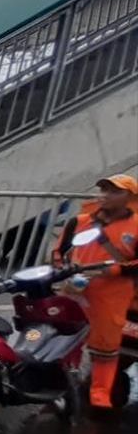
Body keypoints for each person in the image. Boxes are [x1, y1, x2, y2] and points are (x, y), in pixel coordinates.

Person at [53, 174, 138, 410]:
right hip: (75, 289)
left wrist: (112, 271)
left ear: (128, 196)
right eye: (103, 190)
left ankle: (99, 395)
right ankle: (61, 385)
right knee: (65, 337)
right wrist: (63, 272)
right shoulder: (79, 222)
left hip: (112, 294)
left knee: (106, 346)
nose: (105, 195)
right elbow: (59, 251)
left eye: (113, 191)